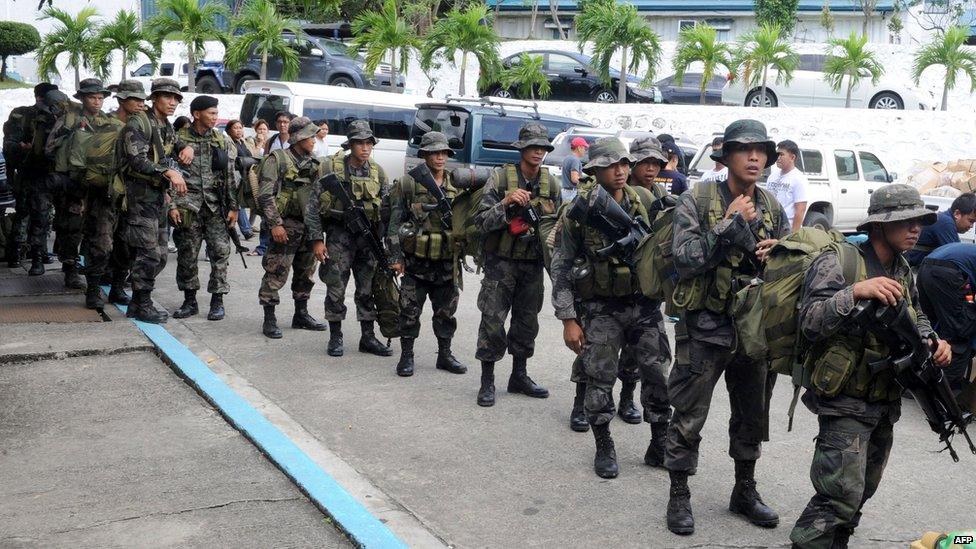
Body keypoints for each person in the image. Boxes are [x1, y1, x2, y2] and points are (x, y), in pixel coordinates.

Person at [789, 184, 951, 548]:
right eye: (906, 222)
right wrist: (855, 292)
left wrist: (932, 341)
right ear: (879, 225)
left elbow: (916, 312)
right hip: (845, 396)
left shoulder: (902, 267)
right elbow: (811, 322)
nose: (916, 230)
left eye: (920, 222)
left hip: (884, 396)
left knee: (862, 490)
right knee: (838, 496)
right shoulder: (840, 260)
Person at [665, 119, 788, 535]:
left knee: (752, 414)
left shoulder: (772, 205)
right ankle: (679, 495)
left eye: (761, 151)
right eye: (744, 150)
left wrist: (779, 256)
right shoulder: (697, 200)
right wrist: (728, 224)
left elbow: (788, 271)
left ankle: (744, 490)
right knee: (689, 414)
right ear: (727, 156)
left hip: (753, 330)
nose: (754, 158)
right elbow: (684, 260)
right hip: (705, 325)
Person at [551, 137, 669, 479]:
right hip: (600, 307)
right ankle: (604, 446)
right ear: (595, 170)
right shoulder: (578, 211)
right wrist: (568, 319)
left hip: (643, 304)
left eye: (623, 164)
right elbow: (561, 266)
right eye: (610, 165)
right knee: (599, 378)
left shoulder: (645, 200)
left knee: (657, 374)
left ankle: (659, 443)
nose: (619, 171)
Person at [473, 122, 559, 407]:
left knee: (526, 323)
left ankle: (519, 376)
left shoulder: (552, 184)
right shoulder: (500, 179)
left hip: (533, 264)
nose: (538, 152)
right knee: (492, 322)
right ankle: (487, 381)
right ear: (522, 149)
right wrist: (506, 203)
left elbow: (559, 227)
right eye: (532, 147)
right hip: (501, 263)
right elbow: (480, 221)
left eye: (542, 148)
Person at [307, 119, 393, 358]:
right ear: (350, 145)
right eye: (360, 143)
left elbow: (386, 210)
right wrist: (317, 240)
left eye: (369, 143)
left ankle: (368, 337)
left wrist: (385, 243)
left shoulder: (378, 172)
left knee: (367, 289)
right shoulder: (331, 170)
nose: (365, 148)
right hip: (340, 236)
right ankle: (335, 336)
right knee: (336, 286)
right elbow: (313, 208)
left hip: (368, 239)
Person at [386, 131, 467, 377]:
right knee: (409, 312)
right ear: (425, 155)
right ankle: (407, 355)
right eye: (434, 153)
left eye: (443, 152)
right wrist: (396, 258)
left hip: (446, 261)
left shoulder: (456, 183)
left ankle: (445, 355)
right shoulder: (409, 183)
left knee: (445, 314)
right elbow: (394, 223)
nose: (440, 157)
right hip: (416, 262)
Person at [119, 77, 191, 323]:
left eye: (176, 99)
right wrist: (167, 172)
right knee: (147, 253)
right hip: (140, 197)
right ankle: (142, 303)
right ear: (154, 98)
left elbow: (172, 145)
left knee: (160, 254)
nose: (173, 103)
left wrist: (187, 148)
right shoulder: (139, 122)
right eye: (167, 97)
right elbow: (135, 159)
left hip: (158, 197)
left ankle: (139, 301)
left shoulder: (165, 125)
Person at [169, 95, 239, 321]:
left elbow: (229, 176)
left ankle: (217, 301)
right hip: (187, 206)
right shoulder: (177, 140)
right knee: (187, 255)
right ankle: (190, 301)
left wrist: (234, 207)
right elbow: (166, 174)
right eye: (211, 113)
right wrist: (172, 205)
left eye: (216, 113)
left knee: (220, 252)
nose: (215, 117)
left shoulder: (220, 140)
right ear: (196, 114)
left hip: (215, 207)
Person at [257, 116, 327, 338]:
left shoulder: (315, 163)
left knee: (306, 273)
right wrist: (275, 225)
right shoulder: (277, 160)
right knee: (276, 271)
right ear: (299, 138)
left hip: (308, 227)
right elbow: (265, 195)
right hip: (285, 227)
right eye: (310, 136)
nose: (314, 140)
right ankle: (269, 318)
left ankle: (301, 314)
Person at [62, 79, 128, 308]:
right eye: (92, 97)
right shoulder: (70, 120)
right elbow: (54, 152)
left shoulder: (111, 123)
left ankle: (107, 286)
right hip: (77, 188)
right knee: (76, 233)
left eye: (100, 98)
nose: (97, 102)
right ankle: (79, 277)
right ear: (82, 98)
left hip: (105, 190)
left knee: (108, 242)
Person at [3, 83, 58, 268]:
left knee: (43, 215)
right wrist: (23, 147)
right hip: (28, 172)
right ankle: (17, 252)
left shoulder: (56, 116)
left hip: (45, 174)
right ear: (40, 98)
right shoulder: (24, 115)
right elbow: (9, 146)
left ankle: (37, 252)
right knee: (26, 213)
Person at [917, 242, 976, 393]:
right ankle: (945, 396)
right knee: (960, 333)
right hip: (947, 272)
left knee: (928, 325)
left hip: (926, 267)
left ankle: (918, 377)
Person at [905, 192, 976, 267]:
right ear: (957, 214)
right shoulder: (945, 222)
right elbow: (958, 256)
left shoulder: (945, 220)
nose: (971, 226)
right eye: (971, 221)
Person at [766, 139, 809, 232]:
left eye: (781, 155)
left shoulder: (799, 178)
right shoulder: (772, 176)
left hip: (786, 229)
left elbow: (800, 210)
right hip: (770, 226)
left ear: (792, 157)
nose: (778, 158)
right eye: (777, 154)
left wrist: (792, 235)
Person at [225, 119, 256, 239]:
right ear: (228, 130)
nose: (238, 130)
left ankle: (245, 228)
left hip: (245, 177)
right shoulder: (228, 142)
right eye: (235, 128)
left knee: (241, 202)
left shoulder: (244, 142)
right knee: (238, 203)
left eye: (240, 127)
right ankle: (246, 230)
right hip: (234, 177)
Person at [560, 137, 588, 202]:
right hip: (571, 193)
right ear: (579, 148)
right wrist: (585, 181)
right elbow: (574, 179)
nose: (585, 150)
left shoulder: (567, 158)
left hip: (565, 191)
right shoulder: (575, 160)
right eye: (584, 148)